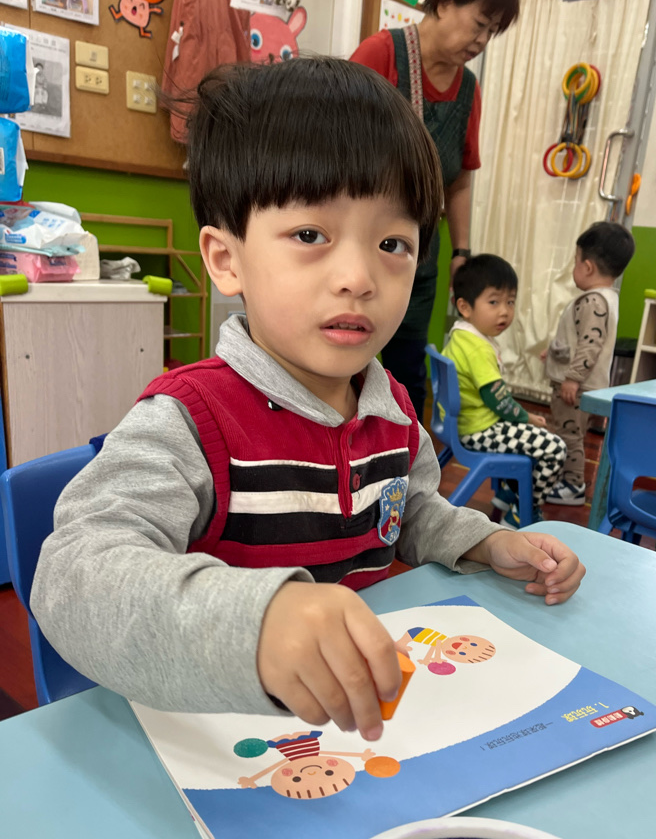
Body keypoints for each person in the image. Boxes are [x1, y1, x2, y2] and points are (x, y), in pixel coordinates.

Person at [31, 58, 584, 749]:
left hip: (356, 730)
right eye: (310, 235)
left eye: (392, 243)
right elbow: (72, 576)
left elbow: (406, 512)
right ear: (226, 259)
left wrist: (484, 541)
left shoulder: (392, 409)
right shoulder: (190, 420)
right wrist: (260, 625)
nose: (357, 277)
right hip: (220, 735)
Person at [351, 0, 520, 422]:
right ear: (444, 3)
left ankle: (406, 457)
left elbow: (459, 181)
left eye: (491, 32)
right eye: (479, 24)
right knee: (348, 357)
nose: (482, 41)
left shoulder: (468, 88)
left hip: (420, 248)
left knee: (408, 366)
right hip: (360, 245)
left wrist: (461, 251)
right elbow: (335, 149)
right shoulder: (381, 55)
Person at [442, 254, 566, 525]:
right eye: (494, 302)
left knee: (533, 441)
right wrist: (527, 417)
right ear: (464, 306)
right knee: (554, 448)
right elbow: (498, 400)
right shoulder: (477, 348)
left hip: (464, 425)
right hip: (479, 431)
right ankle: (521, 511)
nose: (505, 311)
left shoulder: (461, 335)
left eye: (510, 302)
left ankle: (509, 492)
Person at [542, 222, 635, 506]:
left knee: (569, 434)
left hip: (577, 388)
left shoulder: (592, 301)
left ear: (588, 267)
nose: (574, 268)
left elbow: (590, 344)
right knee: (572, 432)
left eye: (575, 262)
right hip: (584, 385)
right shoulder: (606, 298)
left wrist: (572, 378)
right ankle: (568, 479)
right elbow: (580, 339)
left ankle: (573, 485)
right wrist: (554, 352)